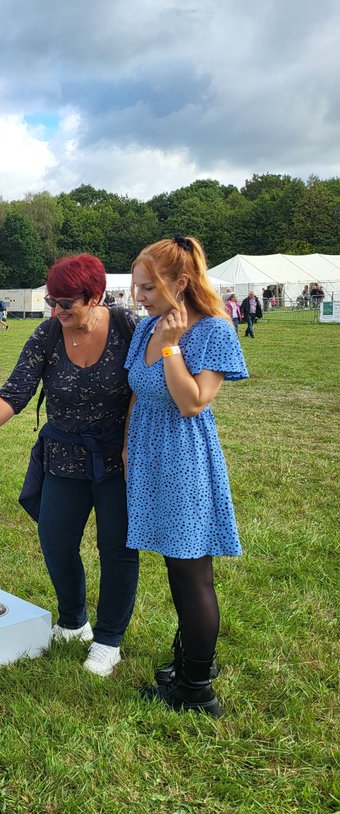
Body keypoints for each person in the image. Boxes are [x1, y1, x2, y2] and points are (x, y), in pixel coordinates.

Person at [0, 255, 139, 677]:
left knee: (117, 549)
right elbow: (15, 390)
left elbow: (146, 390)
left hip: (118, 460)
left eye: (67, 302)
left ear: (96, 296)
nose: (57, 310)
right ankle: (73, 622)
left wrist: (131, 444)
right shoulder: (48, 333)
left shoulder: (128, 328)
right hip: (64, 456)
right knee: (55, 540)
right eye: (53, 300)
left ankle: (108, 639)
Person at [125, 235, 248, 717]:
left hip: (185, 461)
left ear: (182, 281)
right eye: (137, 287)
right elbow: (137, 394)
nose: (139, 297)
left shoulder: (214, 331)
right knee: (177, 569)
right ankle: (187, 663)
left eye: (149, 289)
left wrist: (173, 348)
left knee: (192, 572)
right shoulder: (144, 329)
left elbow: (192, 401)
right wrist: (127, 453)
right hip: (150, 459)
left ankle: (197, 688)